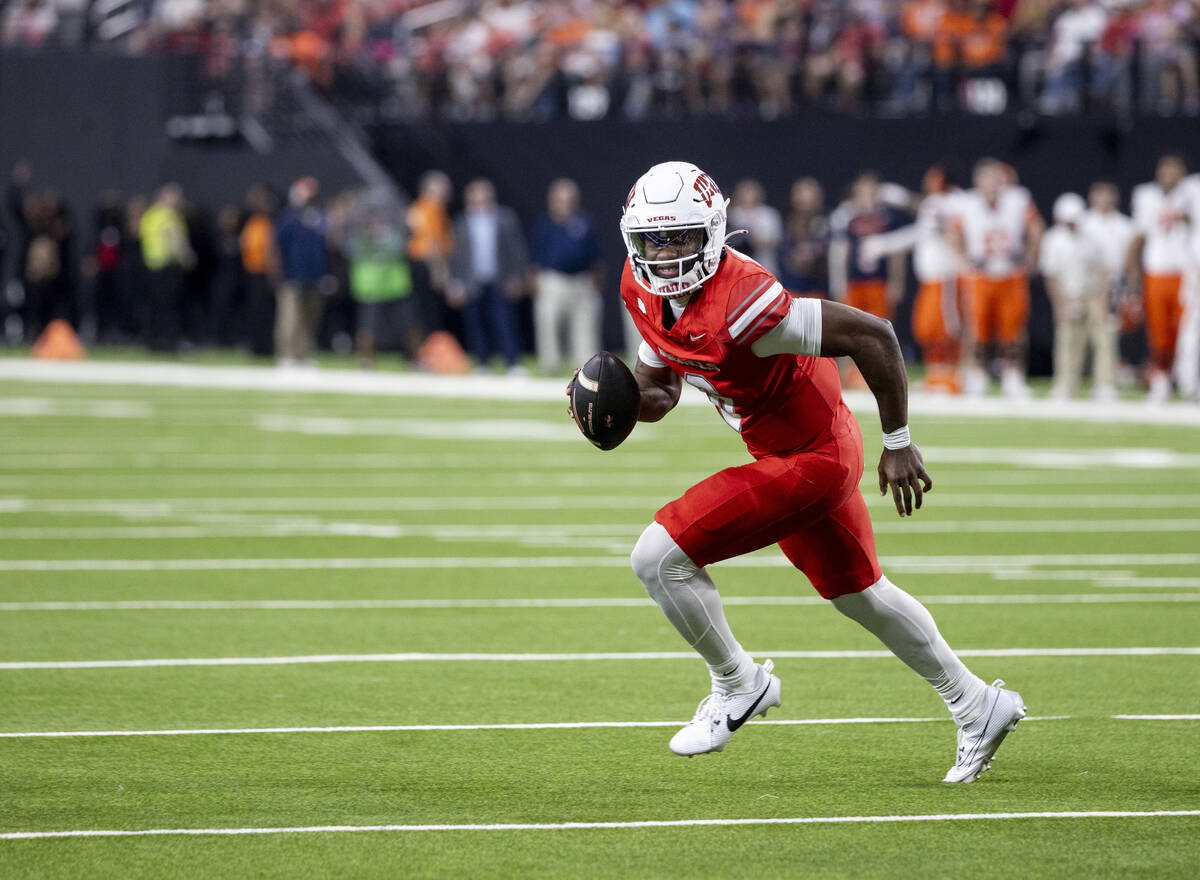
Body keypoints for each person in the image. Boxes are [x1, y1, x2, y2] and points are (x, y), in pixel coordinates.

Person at [595, 161, 1025, 782]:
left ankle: (738, 682)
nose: (664, 254)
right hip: (783, 449)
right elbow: (662, 384)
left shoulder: (744, 301)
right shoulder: (641, 290)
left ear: (713, 232)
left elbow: (873, 336)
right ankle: (978, 704)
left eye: (681, 237)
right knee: (862, 595)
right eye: (653, 239)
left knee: (656, 557)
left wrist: (899, 439)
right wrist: (620, 405)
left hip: (813, 455)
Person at [951, 158, 1043, 398]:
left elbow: (1036, 227)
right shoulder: (967, 202)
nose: (992, 182)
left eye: (995, 177)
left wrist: (1031, 256)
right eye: (987, 177)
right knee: (978, 330)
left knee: (1013, 330)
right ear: (977, 180)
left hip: (1011, 273)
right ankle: (978, 375)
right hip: (980, 275)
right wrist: (964, 259)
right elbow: (951, 233)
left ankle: (1013, 376)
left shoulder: (1017, 199)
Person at [1128, 154, 1192, 403]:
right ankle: (1161, 380)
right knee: (1159, 331)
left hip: (1186, 272)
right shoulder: (1146, 196)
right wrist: (1132, 273)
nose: (1170, 174)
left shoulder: (1192, 194)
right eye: (1166, 169)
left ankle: (1187, 380)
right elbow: (1139, 236)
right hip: (1156, 271)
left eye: (1175, 169)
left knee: (1187, 332)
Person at [447, 178, 528, 373]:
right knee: (475, 324)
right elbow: (455, 255)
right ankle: (482, 363)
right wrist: (455, 282)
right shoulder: (461, 221)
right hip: (472, 281)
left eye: (484, 193)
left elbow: (517, 249)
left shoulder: (504, 218)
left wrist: (517, 276)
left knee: (505, 322)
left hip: (499, 280)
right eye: (475, 194)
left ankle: (513, 363)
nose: (480, 198)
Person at [1040, 193, 1113, 400]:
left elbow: (1103, 270)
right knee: (1067, 340)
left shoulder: (1092, 237)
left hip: (1092, 293)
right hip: (1067, 293)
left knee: (1102, 337)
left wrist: (1101, 300)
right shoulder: (1053, 239)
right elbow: (1051, 276)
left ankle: (1104, 385)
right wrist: (1060, 304)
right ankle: (1065, 384)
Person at [529, 178, 601, 374]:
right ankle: (550, 365)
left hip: (581, 280)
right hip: (553, 280)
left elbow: (596, 257)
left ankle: (587, 367)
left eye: (569, 199)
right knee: (548, 323)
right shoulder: (544, 225)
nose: (565, 204)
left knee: (585, 327)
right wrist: (535, 285)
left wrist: (596, 284)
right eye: (561, 200)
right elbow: (534, 260)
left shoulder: (584, 222)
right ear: (552, 201)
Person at [1081, 180, 1135, 399]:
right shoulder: (1083, 222)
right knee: (1075, 336)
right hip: (1081, 285)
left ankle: (1105, 383)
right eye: (1099, 195)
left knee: (1106, 336)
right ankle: (1069, 382)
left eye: (1107, 195)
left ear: (1116, 198)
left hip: (1111, 286)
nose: (1103, 200)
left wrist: (1130, 289)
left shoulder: (1125, 225)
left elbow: (1130, 262)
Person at [273, 176, 328, 367]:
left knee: (309, 318)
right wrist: (278, 272)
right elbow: (276, 247)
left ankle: (303, 355)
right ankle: (286, 355)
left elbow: (324, 248)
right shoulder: (288, 218)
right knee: (290, 317)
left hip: (315, 275)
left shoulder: (319, 217)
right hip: (292, 274)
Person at [139, 183, 194, 352]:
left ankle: (153, 341)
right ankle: (169, 342)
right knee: (170, 307)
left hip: (151, 265)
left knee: (155, 307)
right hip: (168, 266)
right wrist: (187, 258)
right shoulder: (170, 216)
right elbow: (174, 240)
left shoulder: (150, 215)